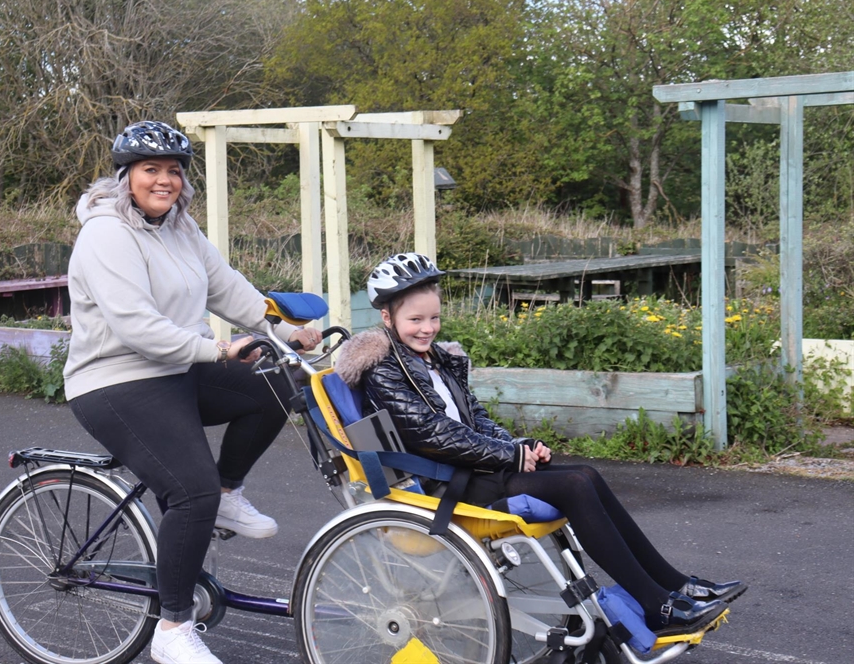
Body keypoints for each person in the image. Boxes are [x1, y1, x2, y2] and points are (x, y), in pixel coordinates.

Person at [334, 252, 746, 634]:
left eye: (434, 318)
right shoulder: (385, 370)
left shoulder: (437, 359)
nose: (427, 329)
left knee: (587, 474)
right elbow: (431, 435)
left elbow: (475, 418)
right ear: (387, 317)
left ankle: (676, 587)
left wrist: (521, 445)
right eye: (415, 320)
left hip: (474, 466)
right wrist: (509, 455)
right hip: (444, 482)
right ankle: (657, 604)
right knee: (574, 484)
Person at [63, 121, 322, 664]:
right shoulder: (106, 234)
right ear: (125, 177)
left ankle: (228, 494)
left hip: (181, 367)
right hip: (117, 379)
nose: (164, 181)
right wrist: (218, 351)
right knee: (189, 490)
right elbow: (137, 327)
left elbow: (227, 287)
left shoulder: (181, 227)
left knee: (278, 383)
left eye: (173, 171)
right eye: (150, 170)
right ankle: (173, 628)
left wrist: (283, 330)